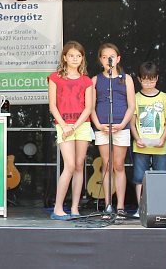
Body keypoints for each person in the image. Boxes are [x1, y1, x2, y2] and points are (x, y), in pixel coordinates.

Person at [47, 41, 95, 220]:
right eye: (71, 55)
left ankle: (75, 207)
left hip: (82, 125)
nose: (75, 59)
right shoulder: (55, 78)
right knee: (70, 165)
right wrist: (64, 125)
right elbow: (52, 106)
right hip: (63, 125)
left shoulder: (86, 80)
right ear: (65, 57)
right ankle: (58, 208)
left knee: (79, 165)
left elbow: (88, 108)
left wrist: (74, 126)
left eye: (79, 56)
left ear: (82, 58)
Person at [90, 43, 135, 219]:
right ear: (100, 60)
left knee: (119, 165)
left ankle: (121, 206)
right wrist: (99, 125)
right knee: (106, 165)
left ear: (118, 59)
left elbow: (131, 106)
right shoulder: (95, 80)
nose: (108, 60)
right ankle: (108, 204)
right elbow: (91, 107)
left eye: (112, 56)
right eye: (104, 57)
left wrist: (122, 124)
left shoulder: (126, 79)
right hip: (102, 127)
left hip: (121, 127)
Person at [130, 62, 166, 218]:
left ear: (157, 78)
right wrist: (137, 138)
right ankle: (141, 207)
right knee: (139, 178)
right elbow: (132, 122)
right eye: (145, 80)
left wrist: (163, 138)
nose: (148, 83)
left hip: (160, 144)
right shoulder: (135, 98)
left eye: (152, 80)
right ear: (139, 79)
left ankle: (160, 208)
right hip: (141, 145)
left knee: (161, 177)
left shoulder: (164, 97)